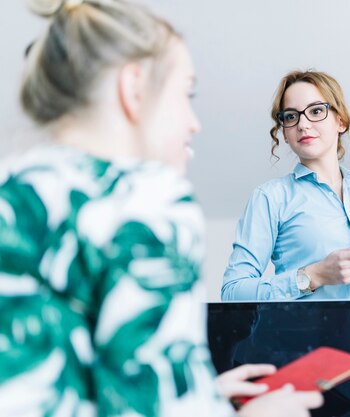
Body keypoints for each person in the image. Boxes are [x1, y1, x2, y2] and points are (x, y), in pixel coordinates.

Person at [0, 1, 322, 416]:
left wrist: (204, 392)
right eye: (186, 94)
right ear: (133, 88)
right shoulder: (145, 199)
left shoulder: (14, 190)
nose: (194, 122)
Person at [221, 70, 350, 386]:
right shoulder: (270, 198)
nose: (302, 123)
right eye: (291, 116)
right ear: (284, 132)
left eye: (316, 111)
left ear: (340, 121)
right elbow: (233, 294)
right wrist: (313, 276)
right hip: (306, 354)